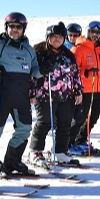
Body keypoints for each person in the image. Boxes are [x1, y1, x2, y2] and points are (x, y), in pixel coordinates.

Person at [0, 12, 41, 176]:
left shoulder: (28, 49)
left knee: (25, 129)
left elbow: (35, 71)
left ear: (23, 29)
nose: (14, 30)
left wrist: (44, 69)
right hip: (1, 96)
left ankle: (12, 162)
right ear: (6, 28)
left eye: (18, 27)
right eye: (11, 26)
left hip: (21, 96)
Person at [27, 22, 83, 166]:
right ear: (48, 37)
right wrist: (32, 92)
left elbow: (75, 74)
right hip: (45, 94)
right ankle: (35, 151)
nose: (57, 39)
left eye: (60, 36)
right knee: (44, 122)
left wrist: (78, 90)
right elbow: (32, 75)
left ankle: (60, 151)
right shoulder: (39, 52)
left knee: (65, 123)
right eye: (53, 36)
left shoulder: (69, 55)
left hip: (65, 95)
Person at [69, 20, 100, 154]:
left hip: (97, 90)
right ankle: (68, 143)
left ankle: (80, 140)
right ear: (87, 32)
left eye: (98, 33)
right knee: (79, 118)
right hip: (83, 90)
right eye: (93, 32)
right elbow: (72, 70)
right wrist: (86, 72)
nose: (95, 35)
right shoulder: (78, 49)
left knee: (94, 117)